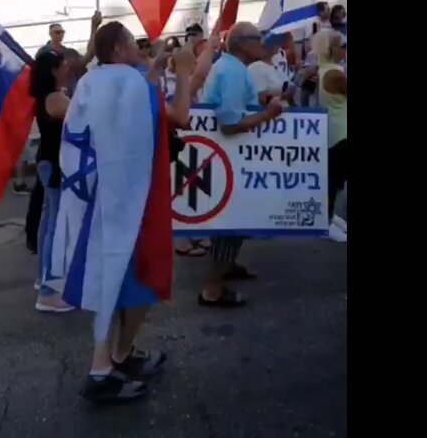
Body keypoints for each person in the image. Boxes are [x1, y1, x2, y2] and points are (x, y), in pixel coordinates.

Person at [55, 21, 194, 403]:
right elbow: (179, 116)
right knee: (140, 279)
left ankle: (119, 355)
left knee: (112, 277)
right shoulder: (132, 84)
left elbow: (126, 105)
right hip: (134, 197)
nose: (138, 47)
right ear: (119, 49)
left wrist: (155, 68)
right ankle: (105, 366)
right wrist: (183, 72)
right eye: (132, 42)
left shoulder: (91, 82)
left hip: (101, 196)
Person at [198, 22, 284, 308]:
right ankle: (212, 289)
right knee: (231, 220)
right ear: (244, 44)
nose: (262, 44)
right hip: (230, 155)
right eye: (258, 39)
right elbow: (231, 124)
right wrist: (269, 114)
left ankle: (227, 265)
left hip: (229, 156)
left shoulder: (230, 68)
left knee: (235, 218)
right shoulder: (233, 71)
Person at [27, 49, 78, 311]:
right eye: (62, 64)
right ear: (53, 71)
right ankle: (49, 291)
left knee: (49, 223)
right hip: (55, 163)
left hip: (48, 161)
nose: (67, 67)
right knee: (56, 227)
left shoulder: (48, 96)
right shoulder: (56, 99)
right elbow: (82, 116)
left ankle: (43, 279)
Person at [312, 29, 348, 242]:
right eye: (341, 46)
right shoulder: (335, 73)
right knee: (335, 179)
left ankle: (330, 216)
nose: (344, 50)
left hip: (335, 129)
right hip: (341, 131)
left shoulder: (325, 70)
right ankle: (325, 222)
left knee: (335, 178)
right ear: (331, 49)